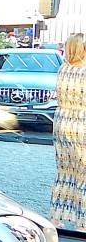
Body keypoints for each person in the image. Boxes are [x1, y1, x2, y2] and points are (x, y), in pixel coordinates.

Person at [50, 33, 86, 230]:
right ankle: (82, 224)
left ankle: (56, 218)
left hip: (62, 122)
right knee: (83, 174)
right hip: (81, 122)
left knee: (64, 171)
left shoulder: (63, 69)